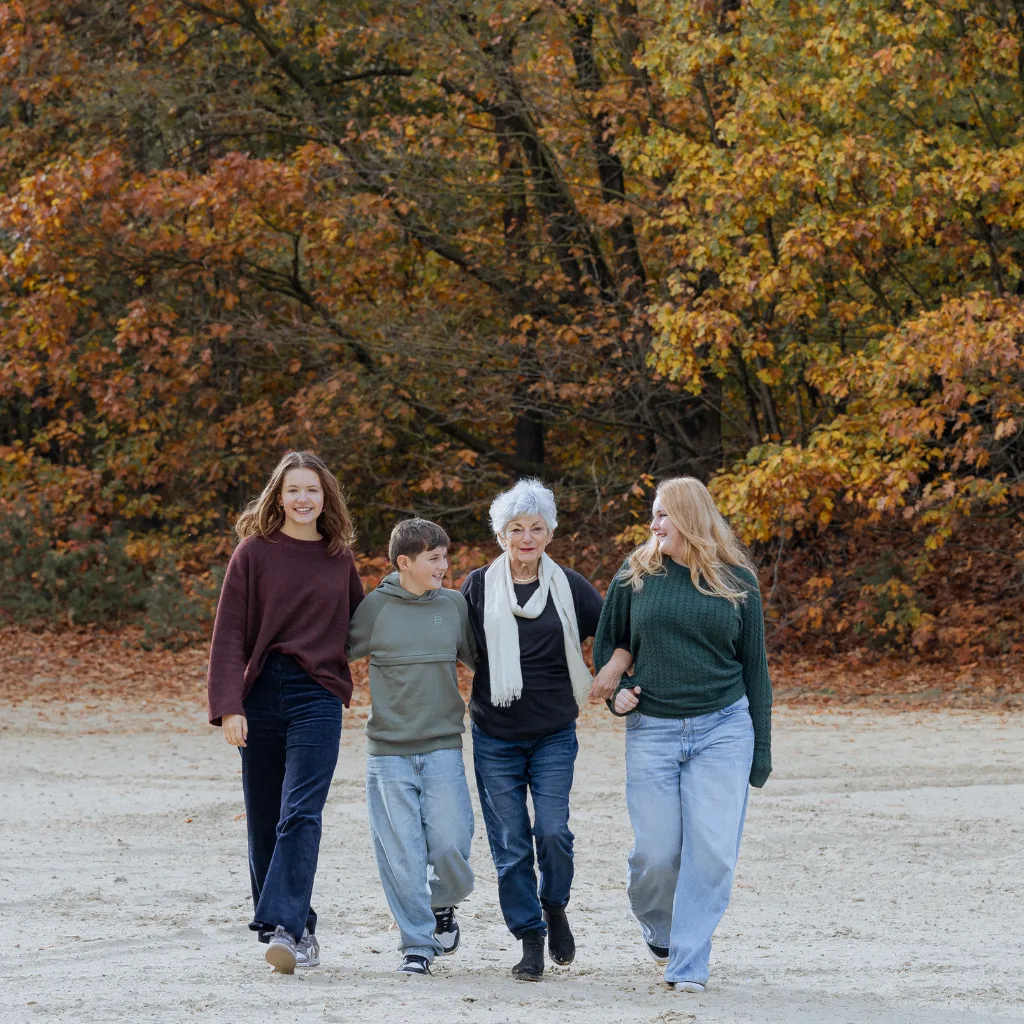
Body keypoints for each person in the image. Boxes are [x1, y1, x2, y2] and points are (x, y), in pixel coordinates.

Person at [592, 476, 772, 994]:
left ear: (690, 518)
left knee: (712, 851)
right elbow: (613, 643)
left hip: (723, 728)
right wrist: (618, 690)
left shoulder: (736, 579)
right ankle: (658, 925)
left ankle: (689, 962)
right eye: (653, 515)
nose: (654, 525)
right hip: (653, 730)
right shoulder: (636, 572)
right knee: (656, 852)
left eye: (663, 515)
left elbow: (755, 669)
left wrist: (760, 749)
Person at [207, 450, 364, 974]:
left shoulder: (339, 559)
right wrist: (229, 705)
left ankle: (285, 929)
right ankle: (299, 925)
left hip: (318, 694)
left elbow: (364, 627)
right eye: (293, 489)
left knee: (301, 812)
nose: (303, 498)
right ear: (278, 495)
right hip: (261, 695)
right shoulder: (252, 553)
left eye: (313, 490)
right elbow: (229, 632)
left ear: (326, 499)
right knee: (264, 819)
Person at [460, 478, 603, 981]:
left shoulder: (571, 586)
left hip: (553, 732)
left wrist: (616, 679)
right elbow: (450, 645)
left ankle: (554, 904)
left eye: (536, 527)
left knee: (553, 831)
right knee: (511, 841)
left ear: (549, 533)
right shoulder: (476, 586)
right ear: (500, 535)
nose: (526, 537)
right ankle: (529, 935)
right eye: (516, 528)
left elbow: (611, 633)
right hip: (494, 734)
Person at [348, 518, 477, 977]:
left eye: (445, 556)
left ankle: (442, 903)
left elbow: (480, 659)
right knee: (401, 854)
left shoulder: (455, 605)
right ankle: (416, 946)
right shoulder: (374, 609)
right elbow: (328, 654)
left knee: (451, 845)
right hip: (388, 753)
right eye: (434, 558)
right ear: (405, 562)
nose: (444, 565)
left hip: (443, 746)